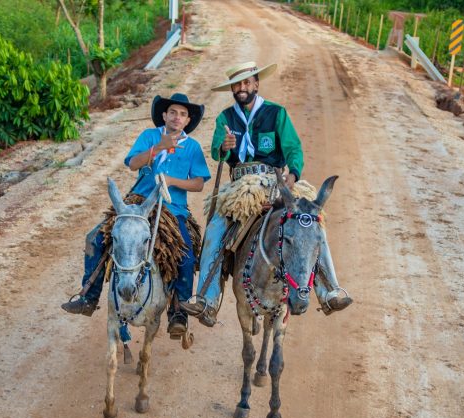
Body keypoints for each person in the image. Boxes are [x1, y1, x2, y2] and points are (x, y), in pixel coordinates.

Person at [180, 62, 352, 326]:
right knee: (215, 229)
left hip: (275, 181)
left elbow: (293, 148)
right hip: (240, 187)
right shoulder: (225, 118)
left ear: (256, 84)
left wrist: (292, 174)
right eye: (237, 85)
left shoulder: (277, 113)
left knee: (312, 223)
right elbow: (217, 151)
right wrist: (224, 147)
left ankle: (329, 290)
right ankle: (208, 299)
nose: (242, 88)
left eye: (247, 83)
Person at [62, 93, 210, 337]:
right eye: (172, 112)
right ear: (164, 115)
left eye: (182, 114)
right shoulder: (149, 136)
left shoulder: (192, 147)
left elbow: (198, 184)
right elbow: (132, 163)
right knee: (95, 238)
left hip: (172, 209)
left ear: (187, 120)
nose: (177, 117)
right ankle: (88, 296)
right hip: (137, 204)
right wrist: (158, 148)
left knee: (185, 253)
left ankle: (179, 312)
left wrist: (172, 181)